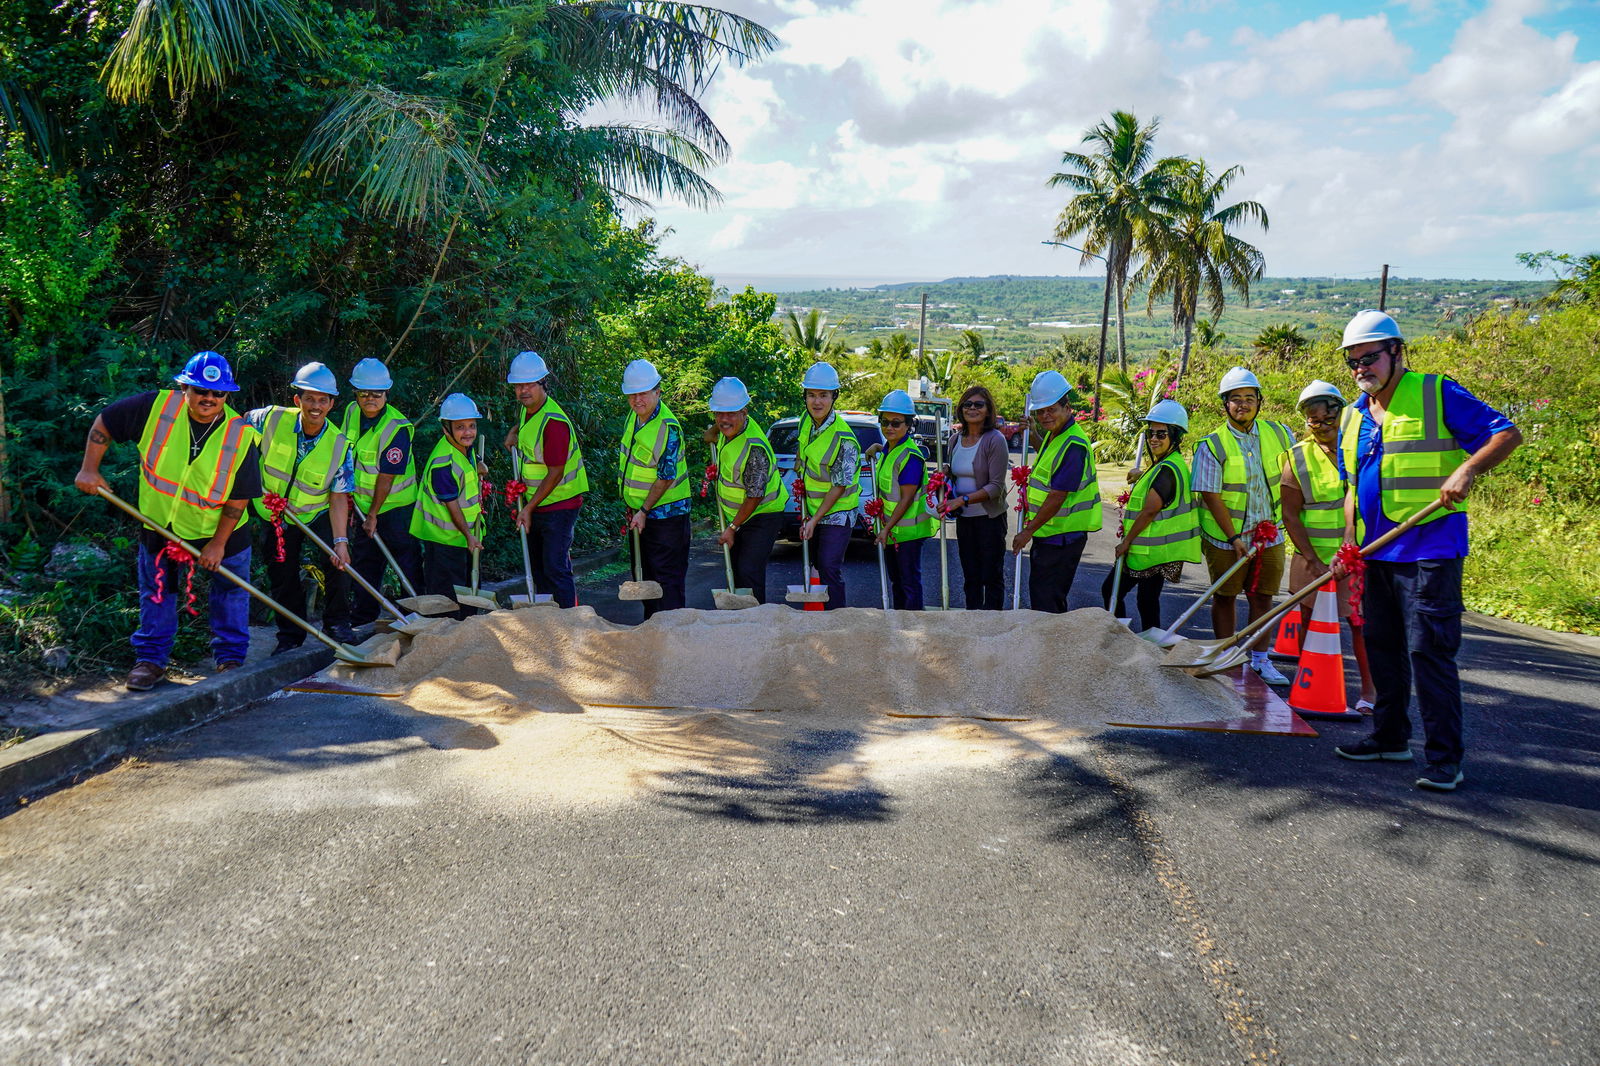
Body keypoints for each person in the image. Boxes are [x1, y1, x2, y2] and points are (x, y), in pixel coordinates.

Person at [1330, 310, 1521, 792]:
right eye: (1353, 362)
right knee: (1383, 649)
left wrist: (1469, 469)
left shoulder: (1437, 392)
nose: (1361, 369)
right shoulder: (1352, 416)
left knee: (1429, 652)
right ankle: (1389, 737)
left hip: (1431, 547)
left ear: (1396, 352)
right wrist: (1349, 544)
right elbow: (1352, 488)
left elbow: (1506, 433)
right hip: (1375, 554)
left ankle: (1444, 759)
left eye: (1368, 358)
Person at [73, 351, 263, 691]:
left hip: (222, 531)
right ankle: (150, 660)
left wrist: (217, 544)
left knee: (231, 593)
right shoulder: (154, 408)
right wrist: (90, 468)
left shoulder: (241, 433)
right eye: (201, 390)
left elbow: (239, 497)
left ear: (227, 394)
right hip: (161, 524)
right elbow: (105, 422)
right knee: (157, 593)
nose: (209, 398)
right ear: (184, 387)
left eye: (217, 393)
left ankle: (230, 660)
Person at [1191, 365, 1296, 686]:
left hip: (1270, 533)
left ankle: (1260, 659)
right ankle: (1226, 656)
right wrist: (1234, 537)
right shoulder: (1212, 444)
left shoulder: (1280, 433)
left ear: (1259, 401)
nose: (1243, 404)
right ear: (1225, 404)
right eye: (1235, 399)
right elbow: (1210, 495)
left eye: (1249, 398)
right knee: (1225, 595)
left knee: (1263, 597)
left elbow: (1293, 478)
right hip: (1226, 538)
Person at [246, 362, 356, 654]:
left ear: (332, 404)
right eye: (309, 398)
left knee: (338, 562)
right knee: (282, 573)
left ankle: (337, 626)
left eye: (322, 400)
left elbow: (338, 496)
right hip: (273, 512)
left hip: (316, 511)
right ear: (298, 400)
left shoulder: (340, 445)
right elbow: (233, 431)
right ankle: (290, 635)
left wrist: (340, 541)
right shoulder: (269, 418)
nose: (315, 405)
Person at [1280, 380, 1376, 712]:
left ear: (1341, 414)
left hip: (1358, 556)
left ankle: (1369, 692)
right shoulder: (1297, 458)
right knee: (1311, 622)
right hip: (1314, 560)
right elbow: (1290, 516)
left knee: (1361, 625)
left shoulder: (1362, 447)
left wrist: (1353, 552)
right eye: (1313, 420)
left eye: (1327, 419)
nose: (1321, 427)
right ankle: (1310, 686)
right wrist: (1313, 560)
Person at [340, 357, 422, 628]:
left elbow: (386, 476)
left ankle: (412, 614)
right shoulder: (352, 412)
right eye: (364, 393)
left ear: (386, 393)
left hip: (396, 509)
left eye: (377, 393)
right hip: (364, 506)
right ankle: (363, 617)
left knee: (405, 562)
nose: (370, 398)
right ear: (356, 393)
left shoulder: (398, 428)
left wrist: (373, 514)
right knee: (366, 561)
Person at [1104, 400, 1201, 630]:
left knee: (1112, 590)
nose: (1154, 439)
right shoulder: (1168, 464)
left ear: (1175, 437)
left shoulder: (1167, 469)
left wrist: (1126, 542)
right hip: (1154, 551)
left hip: (1150, 552)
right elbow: (1156, 482)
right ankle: (1150, 646)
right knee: (1146, 600)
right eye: (1151, 433)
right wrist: (1140, 474)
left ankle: (1122, 638)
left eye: (1161, 434)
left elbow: (1150, 510)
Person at [1012, 370, 1100, 612]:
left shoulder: (1073, 444)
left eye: (1051, 409)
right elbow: (1049, 461)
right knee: (1043, 597)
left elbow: (1057, 495)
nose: (1045, 415)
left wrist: (1027, 532)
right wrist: (1034, 435)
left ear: (1067, 407)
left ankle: (1054, 647)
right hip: (1051, 533)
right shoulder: (1057, 435)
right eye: (1040, 412)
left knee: (1047, 603)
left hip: (1062, 537)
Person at [504, 350, 587, 608]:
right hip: (537, 503)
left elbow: (555, 472)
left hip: (560, 504)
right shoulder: (528, 411)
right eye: (518, 386)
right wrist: (513, 434)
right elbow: (527, 430)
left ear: (543, 384)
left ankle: (569, 620)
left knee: (554, 566)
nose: (523, 391)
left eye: (529, 385)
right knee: (538, 567)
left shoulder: (554, 423)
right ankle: (546, 620)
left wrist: (528, 507)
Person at [619, 359, 690, 618]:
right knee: (647, 578)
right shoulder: (635, 416)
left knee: (666, 580)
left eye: (643, 393)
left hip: (666, 516)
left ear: (657, 392)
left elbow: (665, 477)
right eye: (632, 394)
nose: (637, 399)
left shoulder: (668, 428)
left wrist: (644, 510)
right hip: (641, 513)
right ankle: (651, 635)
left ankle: (672, 636)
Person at [708, 376, 783, 604]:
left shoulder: (754, 448)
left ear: (744, 412)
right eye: (719, 413)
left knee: (749, 571)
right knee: (736, 571)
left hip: (762, 514)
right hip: (739, 514)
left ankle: (756, 623)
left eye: (731, 413)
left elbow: (755, 496)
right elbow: (720, 426)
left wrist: (732, 528)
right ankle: (739, 620)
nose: (724, 419)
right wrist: (713, 431)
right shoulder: (728, 429)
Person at [410, 393, 485, 619]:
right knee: (446, 603)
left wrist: (479, 464)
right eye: (460, 427)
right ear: (446, 428)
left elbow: (469, 464)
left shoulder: (464, 449)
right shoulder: (443, 463)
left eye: (472, 426)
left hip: (462, 539)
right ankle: (444, 644)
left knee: (468, 595)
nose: (468, 432)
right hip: (444, 540)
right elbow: (452, 506)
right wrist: (469, 536)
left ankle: (466, 636)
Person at [795, 362, 860, 610]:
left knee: (829, 566)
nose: (817, 402)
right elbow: (803, 452)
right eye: (811, 395)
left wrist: (814, 519)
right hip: (812, 507)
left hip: (838, 511)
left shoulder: (845, 439)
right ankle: (816, 615)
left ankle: (838, 619)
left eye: (823, 395)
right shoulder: (805, 420)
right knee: (815, 564)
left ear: (835, 396)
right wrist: (800, 469)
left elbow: (839, 486)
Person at [943, 385, 1009, 610]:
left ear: (988, 410)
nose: (972, 408)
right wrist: (944, 475)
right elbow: (954, 475)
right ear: (961, 410)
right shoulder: (954, 440)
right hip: (965, 519)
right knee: (970, 576)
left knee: (991, 576)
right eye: (967, 404)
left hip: (989, 519)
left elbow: (996, 487)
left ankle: (992, 626)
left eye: (978, 404)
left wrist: (964, 500)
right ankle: (971, 623)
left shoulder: (995, 440)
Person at [871, 390, 937, 610]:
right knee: (897, 582)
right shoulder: (890, 449)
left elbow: (906, 499)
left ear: (908, 425)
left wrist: (886, 528)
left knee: (908, 583)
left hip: (907, 532)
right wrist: (880, 448)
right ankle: (899, 625)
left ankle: (913, 629)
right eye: (885, 421)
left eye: (896, 423)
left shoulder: (911, 457)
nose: (889, 427)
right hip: (893, 531)